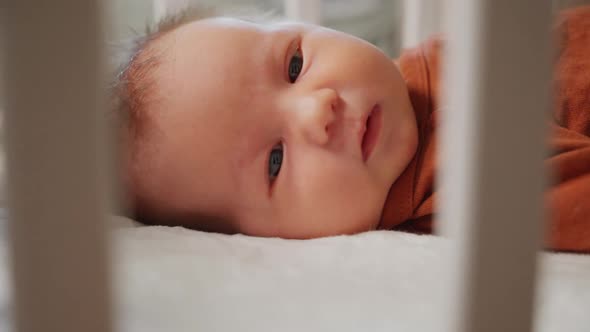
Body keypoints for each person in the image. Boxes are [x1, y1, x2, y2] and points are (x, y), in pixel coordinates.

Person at [111, 5, 590, 252]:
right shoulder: (464, 184)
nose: (318, 112)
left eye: (295, 64)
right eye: (275, 161)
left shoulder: (456, 65)